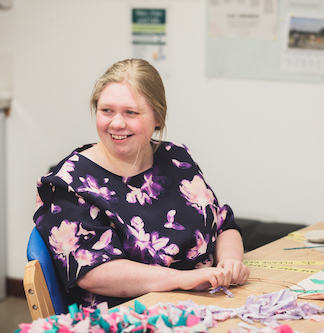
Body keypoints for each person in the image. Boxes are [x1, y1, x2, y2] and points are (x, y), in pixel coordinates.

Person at [33, 58, 249, 308]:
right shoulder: (68, 182)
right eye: (106, 111)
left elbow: (222, 224)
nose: (116, 123)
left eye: (131, 112)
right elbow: (94, 274)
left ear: (157, 117)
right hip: (129, 316)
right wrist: (183, 279)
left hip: (205, 302)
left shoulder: (176, 159)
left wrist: (230, 262)